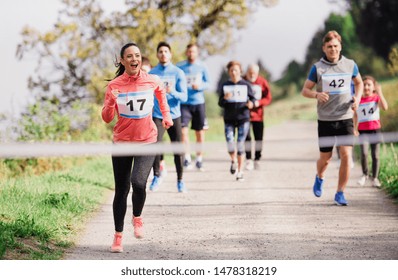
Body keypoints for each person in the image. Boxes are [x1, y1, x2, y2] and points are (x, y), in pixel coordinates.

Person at [101, 43, 172, 253]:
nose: (135, 59)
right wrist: (111, 103)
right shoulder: (114, 85)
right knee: (122, 190)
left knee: (139, 182)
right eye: (129, 56)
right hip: (122, 143)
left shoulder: (152, 80)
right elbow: (106, 118)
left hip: (147, 140)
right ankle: (118, 237)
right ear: (122, 61)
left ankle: (137, 218)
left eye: (138, 56)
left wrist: (166, 116)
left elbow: (161, 94)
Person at [301, 30, 363, 206]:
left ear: (340, 46)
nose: (333, 49)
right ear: (324, 48)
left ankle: (340, 193)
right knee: (325, 159)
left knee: (346, 155)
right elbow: (304, 90)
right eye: (329, 47)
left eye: (336, 46)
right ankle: (320, 176)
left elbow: (358, 82)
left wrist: (357, 98)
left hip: (345, 117)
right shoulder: (317, 68)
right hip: (326, 119)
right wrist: (316, 95)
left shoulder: (350, 65)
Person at [149, 41, 188, 192]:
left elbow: (184, 97)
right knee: (155, 145)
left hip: (174, 115)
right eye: (160, 51)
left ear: (170, 54)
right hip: (158, 115)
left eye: (166, 51)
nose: (163, 54)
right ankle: (157, 176)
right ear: (157, 55)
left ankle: (180, 180)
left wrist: (172, 92)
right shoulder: (152, 73)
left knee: (177, 148)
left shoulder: (178, 73)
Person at [218, 60, 256, 181]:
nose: (234, 72)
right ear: (229, 72)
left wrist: (251, 103)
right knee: (230, 142)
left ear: (240, 71)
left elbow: (253, 99)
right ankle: (233, 160)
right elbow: (220, 103)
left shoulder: (246, 85)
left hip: (243, 118)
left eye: (236, 70)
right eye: (231, 70)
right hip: (229, 119)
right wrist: (225, 98)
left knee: (240, 144)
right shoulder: (225, 85)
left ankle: (240, 171)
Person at [177, 43, 211, 171]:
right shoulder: (180, 67)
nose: (191, 54)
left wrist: (200, 86)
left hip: (198, 103)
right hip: (184, 103)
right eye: (189, 52)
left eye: (194, 52)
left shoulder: (202, 66)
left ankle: (199, 159)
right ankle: (186, 158)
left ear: (197, 53)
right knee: (183, 132)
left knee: (199, 133)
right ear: (186, 53)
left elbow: (208, 83)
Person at [356, 75, 388, 188]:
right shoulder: (358, 99)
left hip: (375, 130)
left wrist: (380, 93)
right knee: (364, 153)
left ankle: (375, 178)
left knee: (375, 155)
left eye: (369, 84)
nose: (366, 87)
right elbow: (355, 115)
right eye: (364, 84)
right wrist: (355, 128)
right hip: (363, 131)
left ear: (373, 87)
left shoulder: (376, 98)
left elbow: (385, 107)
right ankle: (365, 174)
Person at [243, 63, 272, 170]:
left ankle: (257, 159)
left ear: (257, 73)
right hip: (244, 115)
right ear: (246, 72)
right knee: (247, 137)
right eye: (250, 73)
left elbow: (268, 98)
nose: (252, 75)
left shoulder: (262, 82)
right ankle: (248, 159)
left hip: (258, 115)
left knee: (258, 138)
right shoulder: (242, 81)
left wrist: (257, 103)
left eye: (254, 73)